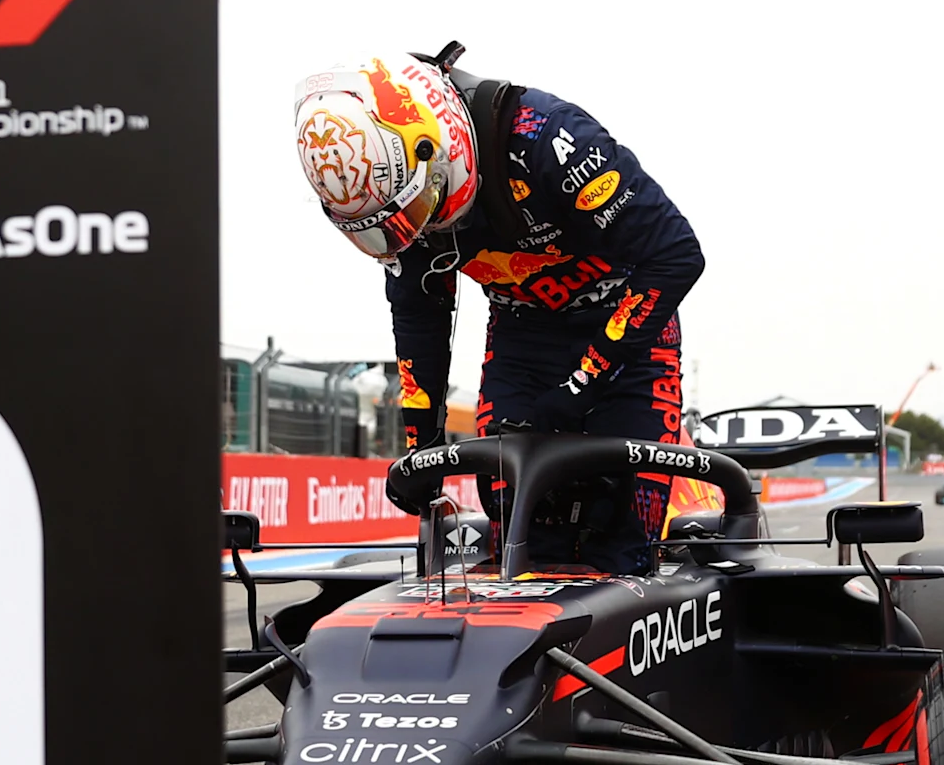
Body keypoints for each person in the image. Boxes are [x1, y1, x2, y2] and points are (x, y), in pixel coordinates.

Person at [293, 45, 703, 571]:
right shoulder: (398, 193)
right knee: (518, 536)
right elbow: (419, 318)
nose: (413, 232)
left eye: (414, 209)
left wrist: (583, 384)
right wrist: (424, 453)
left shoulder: (551, 140)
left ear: (437, 149)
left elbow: (675, 255)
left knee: (624, 537)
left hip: (629, 338)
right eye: (388, 225)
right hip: (522, 339)